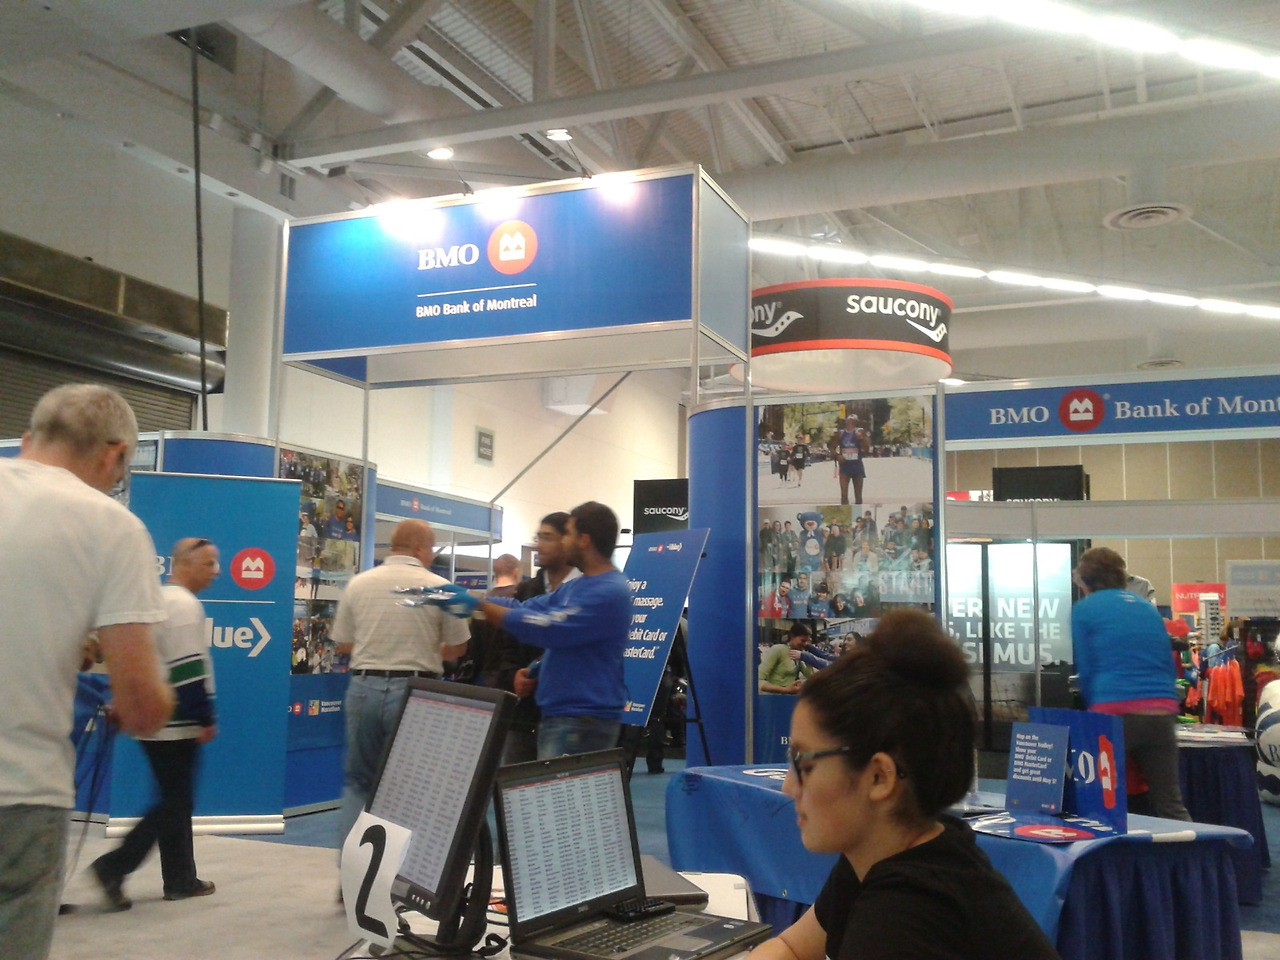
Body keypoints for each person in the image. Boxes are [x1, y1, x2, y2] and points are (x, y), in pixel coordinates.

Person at [752, 610, 1061, 960]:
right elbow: (792, 948)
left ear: (879, 777)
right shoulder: (893, 854)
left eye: (803, 764)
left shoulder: (903, 922)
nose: (788, 787)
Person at [0, 384, 173, 960]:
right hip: (18, 792)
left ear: (28, 439)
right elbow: (142, 709)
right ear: (115, 455)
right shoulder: (112, 527)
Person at [91, 538, 221, 907]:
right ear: (184, 564)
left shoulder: (158, 600)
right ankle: (114, 866)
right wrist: (204, 715)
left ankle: (180, 879)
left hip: (153, 717)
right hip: (175, 719)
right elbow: (187, 669)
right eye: (209, 563)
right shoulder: (184, 606)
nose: (216, 571)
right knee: (175, 802)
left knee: (174, 799)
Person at [332, 519, 470, 849]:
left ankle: (352, 870)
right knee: (412, 786)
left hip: (363, 688)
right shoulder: (441, 588)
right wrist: (424, 646)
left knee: (359, 782)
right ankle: (403, 869)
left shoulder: (358, 584)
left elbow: (343, 644)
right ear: (419, 548)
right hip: (416, 693)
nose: (432, 556)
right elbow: (458, 648)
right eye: (432, 548)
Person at [475, 502, 630, 759]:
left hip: (581, 721)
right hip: (565, 717)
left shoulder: (608, 591)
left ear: (584, 540)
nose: (562, 542)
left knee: (562, 787)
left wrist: (480, 605)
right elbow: (525, 608)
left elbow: (548, 627)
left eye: (567, 534)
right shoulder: (579, 586)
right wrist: (476, 600)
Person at [1071, 547, 1190, 820]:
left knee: (1102, 800)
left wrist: (1092, 711)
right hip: (1162, 712)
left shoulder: (1085, 609)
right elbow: (1166, 661)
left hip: (1115, 712)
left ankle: (1108, 848)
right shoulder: (1146, 608)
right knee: (1170, 802)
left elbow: (1087, 668)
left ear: (1085, 579)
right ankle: (1188, 847)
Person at [471, 518, 578, 764]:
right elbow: (507, 646)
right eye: (538, 537)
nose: (539, 544)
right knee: (514, 782)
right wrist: (514, 677)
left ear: (567, 541)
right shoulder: (526, 590)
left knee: (556, 783)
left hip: (568, 715)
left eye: (547, 537)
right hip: (524, 713)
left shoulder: (586, 590)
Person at [759, 622, 814, 694]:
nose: (805, 644)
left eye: (807, 641)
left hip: (791, 696)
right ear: (792, 637)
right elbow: (759, 679)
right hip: (775, 697)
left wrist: (808, 658)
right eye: (803, 640)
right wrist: (784, 690)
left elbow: (811, 676)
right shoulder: (778, 650)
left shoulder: (798, 654)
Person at [835, 415, 867, 506]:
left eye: (852, 421)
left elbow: (867, 449)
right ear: (845, 422)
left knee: (858, 495)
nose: (850, 423)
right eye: (848, 421)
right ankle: (845, 512)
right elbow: (832, 448)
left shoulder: (860, 432)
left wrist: (861, 439)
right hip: (844, 466)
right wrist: (837, 456)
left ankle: (858, 513)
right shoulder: (841, 433)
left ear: (856, 423)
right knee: (844, 495)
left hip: (857, 466)